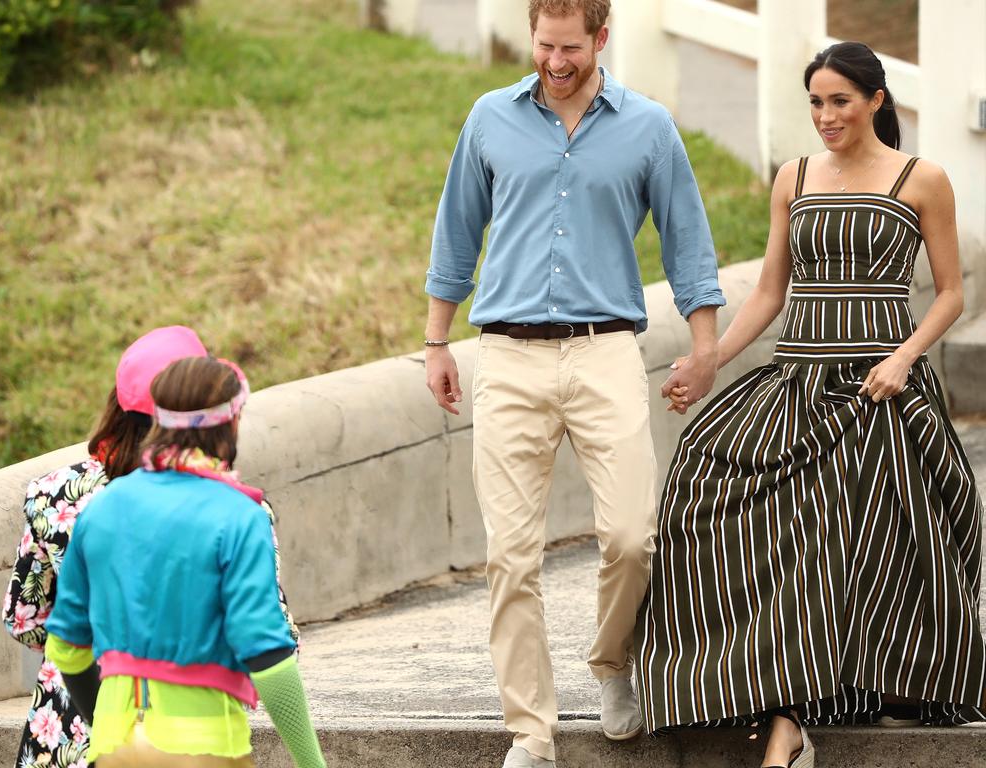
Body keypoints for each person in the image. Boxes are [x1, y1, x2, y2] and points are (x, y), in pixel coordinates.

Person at [636, 41, 986, 768]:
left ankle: (828, 700)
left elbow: (952, 292)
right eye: (816, 103)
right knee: (701, 482)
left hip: (881, 388)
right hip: (798, 383)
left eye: (840, 101)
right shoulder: (793, 176)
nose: (826, 117)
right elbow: (769, 291)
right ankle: (752, 694)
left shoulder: (924, 179)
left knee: (848, 530)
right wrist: (710, 361)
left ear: (877, 101)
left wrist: (901, 358)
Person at [422, 1, 725, 765]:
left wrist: (705, 349)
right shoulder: (490, 118)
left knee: (631, 535)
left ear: (601, 37)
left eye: (570, 48)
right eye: (544, 45)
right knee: (510, 556)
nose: (555, 62)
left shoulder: (649, 127)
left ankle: (612, 663)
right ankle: (531, 729)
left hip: (604, 351)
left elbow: (688, 245)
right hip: (508, 355)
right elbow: (456, 234)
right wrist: (435, 342)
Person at [2, 325, 300, 768]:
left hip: (63, 735)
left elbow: (24, 620)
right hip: (190, 738)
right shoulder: (235, 509)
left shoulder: (52, 493)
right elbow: (275, 641)